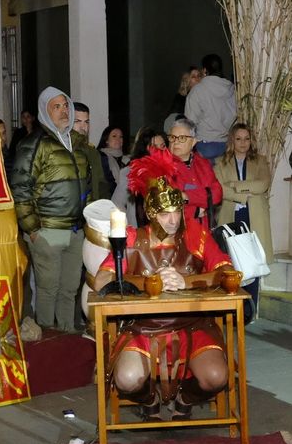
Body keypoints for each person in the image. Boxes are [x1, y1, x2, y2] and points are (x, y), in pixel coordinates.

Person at [93, 147, 242, 420]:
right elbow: (102, 279)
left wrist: (187, 281)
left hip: (192, 324)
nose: (174, 220)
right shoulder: (131, 239)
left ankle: (186, 397)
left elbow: (226, 270)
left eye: (177, 211)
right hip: (144, 327)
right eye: (164, 214)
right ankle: (148, 398)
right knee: (127, 379)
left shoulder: (196, 233)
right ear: (150, 212)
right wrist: (148, 282)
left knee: (216, 377)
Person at [11, 87, 93, 333]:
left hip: (75, 230)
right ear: (44, 112)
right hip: (48, 230)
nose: (63, 111)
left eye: (65, 105)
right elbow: (20, 188)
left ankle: (67, 337)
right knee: (49, 289)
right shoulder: (34, 144)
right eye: (56, 107)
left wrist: (88, 221)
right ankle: (47, 341)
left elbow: (85, 187)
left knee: (69, 289)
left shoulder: (76, 144)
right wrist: (33, 229)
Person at [213, 122, 274, 319]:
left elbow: (263, 184)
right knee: (232, 264)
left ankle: (251, 311)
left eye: (246, 139)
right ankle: (233, 311)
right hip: (231, 216)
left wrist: (236, 187)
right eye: (238, 139)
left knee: (253, 265)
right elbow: (220, 189)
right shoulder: (220, 162)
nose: (243, 143)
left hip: (254, 217)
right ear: (232, 140)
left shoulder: (261, 161)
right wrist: (244, 193)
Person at [166, 117, 222, 229]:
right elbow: (165, 205)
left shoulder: (203, 163)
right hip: (176, 233)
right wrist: (196, 211)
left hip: (204, 231)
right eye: (172, 137)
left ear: (193, 142)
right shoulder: (161, 166)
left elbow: (217, 194)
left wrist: (187, 196)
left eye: (182, 138)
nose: (176, 142)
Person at [186, 53, 236, 161]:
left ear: (204, 70)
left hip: (205, 145)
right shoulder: (232, 90)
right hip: (228, 145)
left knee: (207, 177)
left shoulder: (198, 91)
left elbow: (190, 123)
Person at [71, 101, 105, 209]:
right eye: (77, 121)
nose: (83, 127)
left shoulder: (93, 152)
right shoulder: (62, 150)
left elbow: (101, 184)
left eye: (86, 122)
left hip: (92, 211)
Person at [96, 125, 127, 201]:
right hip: (108, 202)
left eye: (121, 137)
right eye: (114, 136)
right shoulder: (101, 157)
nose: (118, 139)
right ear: (106, 140)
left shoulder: (126, 160)